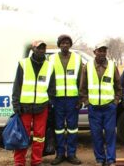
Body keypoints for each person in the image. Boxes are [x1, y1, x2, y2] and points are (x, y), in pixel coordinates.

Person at [12, 40, 56, 166]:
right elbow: (17, 86)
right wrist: (16, 104)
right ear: (33, 49)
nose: (41, 51)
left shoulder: (49, 66)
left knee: (39, 136)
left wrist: (48, 101)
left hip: (41, 107)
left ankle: (36, 161)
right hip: (24, 107)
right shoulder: (23, 64)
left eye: (43, 48)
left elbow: (52, 88)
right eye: (38, 48)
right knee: (22, 135)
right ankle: (19, 161)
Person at [79, 41, 122, 166]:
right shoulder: (87, 67)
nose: (102, 53)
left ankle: (111, 159)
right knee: (96, 135)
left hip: (109, 108)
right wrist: (87, 102)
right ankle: (99, 159)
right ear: (94, 52)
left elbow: (118, 87)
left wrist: (115, 102)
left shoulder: (112, 66)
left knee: (110, 134)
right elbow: (83, 88)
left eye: (104, 51)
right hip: (94, 108)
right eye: (100, 50)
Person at [50, 35, 82, 165]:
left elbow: (81, 80)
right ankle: (60, 154)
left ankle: (72, 154)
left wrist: (79, 99)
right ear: (59, 45)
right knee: (58, 128)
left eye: (67, 43)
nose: (64, 45)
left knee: (72, 128)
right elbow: (49, 80)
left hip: (72, 99)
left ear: (70, 45)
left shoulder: (77, 58)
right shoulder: (51, 59)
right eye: (62, 43)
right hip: (57, 99)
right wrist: (50, 98)